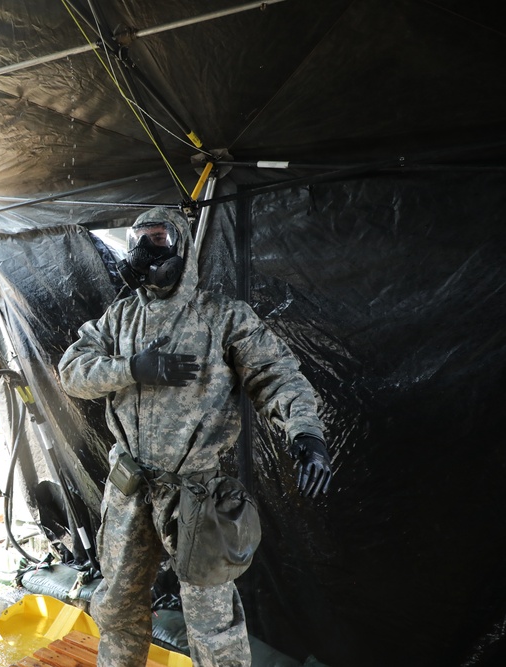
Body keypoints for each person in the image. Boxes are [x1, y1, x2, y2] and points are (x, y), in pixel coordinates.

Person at [57, 206, 332, 667]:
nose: (146, 250)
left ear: (182, 245)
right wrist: (130, 369)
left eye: (159, 239)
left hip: (195, 496)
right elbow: (71, 372)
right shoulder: (119, 318)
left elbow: (278, 375)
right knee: (118, 606)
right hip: (129, 489)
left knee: (212, 622)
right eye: (138, 239)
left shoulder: (223, 317)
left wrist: (306, 432)